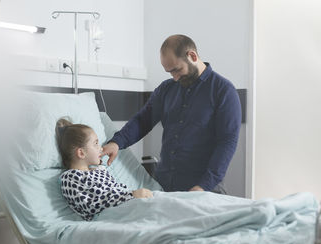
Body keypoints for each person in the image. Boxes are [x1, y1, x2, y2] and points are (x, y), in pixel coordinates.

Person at [102, 34, 242, 193]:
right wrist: (117, 142)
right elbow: (143, 121)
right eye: (170, 72)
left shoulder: (223, 91)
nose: (175, 78)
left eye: (177, 70)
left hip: (203, 187)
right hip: (165, 185)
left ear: (192, 56)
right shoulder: (166, 89)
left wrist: (204, 186)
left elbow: (227, 142)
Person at [55, 118, 153, 221]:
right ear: (81, 153)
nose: (101, 148)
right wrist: (131, 195)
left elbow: (117, 189)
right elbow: (92, 205)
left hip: (127, 203)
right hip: (110, 215)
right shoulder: (70, 178)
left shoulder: (100, 170)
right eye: (96, 143)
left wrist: (134, 195)